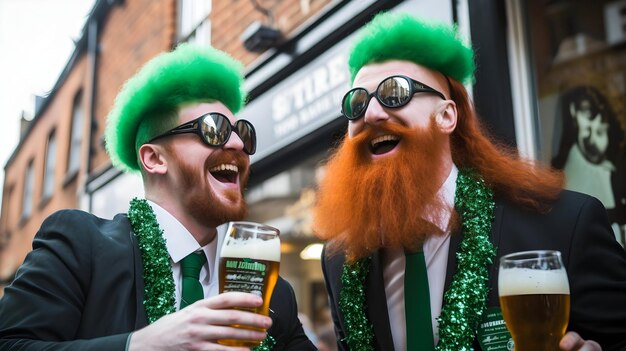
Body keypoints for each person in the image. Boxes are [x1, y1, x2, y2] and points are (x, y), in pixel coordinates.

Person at [313, 12, 626, 351]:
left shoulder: (565, 225)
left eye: (395, 93)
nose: (371, 114)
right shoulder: (339, 261)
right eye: (357, 103)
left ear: (446, 116)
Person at [0, 43, 315, 350]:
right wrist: (142, 345)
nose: (236, 144)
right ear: (154, 158)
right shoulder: (80, 246)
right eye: (214, 129)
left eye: (242, 133)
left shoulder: (273, 294)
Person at [552, 85, 625, 242]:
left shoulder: (611, 171)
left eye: (600, 130)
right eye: (587, 114)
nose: (592, 130)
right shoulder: (564, 167)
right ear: (573, 111)